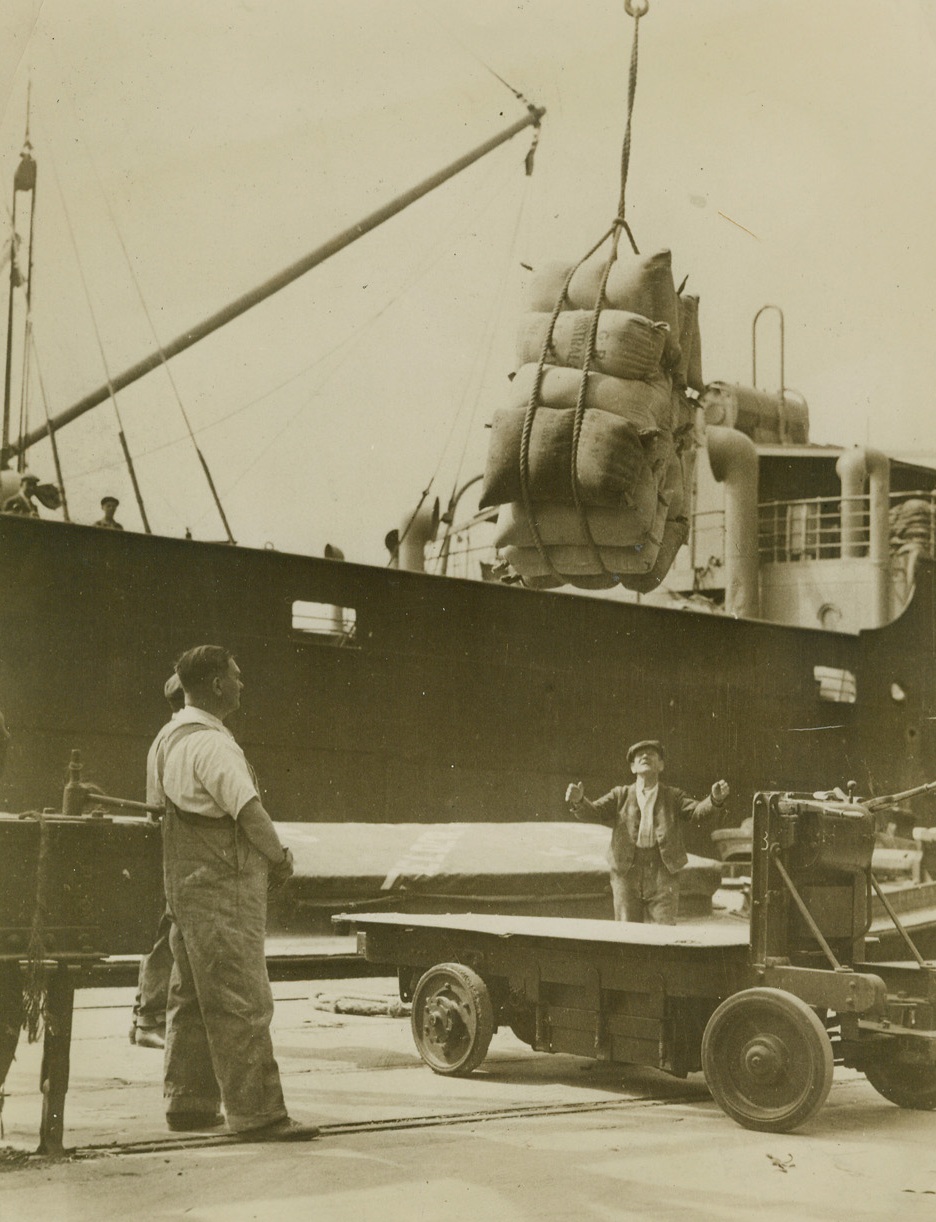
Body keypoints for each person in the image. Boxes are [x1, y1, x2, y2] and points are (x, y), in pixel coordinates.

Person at [155, 645, 317, 1140]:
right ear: (218, 686)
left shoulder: (167, 737)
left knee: (190, 994)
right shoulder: (214, 745)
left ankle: (189, 1104)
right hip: (225, 889)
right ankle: (259, 1114)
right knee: (242, 998)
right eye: (237, 677)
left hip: (183, 885)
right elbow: (249, 814)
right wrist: (280, 858)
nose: (243, 684)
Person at [566, 740, 729, 925]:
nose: (645, 756)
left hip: (663, 872)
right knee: (627, 932)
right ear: (633, 767)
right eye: (639, 755)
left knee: (664, 932)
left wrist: (714, 800)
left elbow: (697, 812)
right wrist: (579, 801)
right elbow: (594, 812)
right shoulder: (620, 794)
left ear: (661, 765)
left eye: (651, 754)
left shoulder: (673, 796)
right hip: (626, 871)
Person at [129, 673, 186, 1049]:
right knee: (169, 929)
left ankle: (145, 1016)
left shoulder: (166, 735)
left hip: (164, 841)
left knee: (165, 928)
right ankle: (149, 1018)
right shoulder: (180, 737)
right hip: (175, 844)